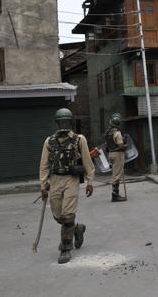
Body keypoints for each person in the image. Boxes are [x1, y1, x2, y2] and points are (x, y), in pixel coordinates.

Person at [40, 108, 95, 264]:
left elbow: (87, 161)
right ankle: (77, 229)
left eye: (66, 121)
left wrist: (90, 181)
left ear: (70, 122)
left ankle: (65, 248)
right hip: (55, 179)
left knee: (68, 215)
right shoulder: (49, 141)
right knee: (58, 216)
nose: (63, 124)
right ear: (57, 123)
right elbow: (44, 165)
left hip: (71, 179)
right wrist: (43, 185)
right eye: (61, 121)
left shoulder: (79, 139)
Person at [105, 112, 127, 202]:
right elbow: (121, 146)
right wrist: (126, 145)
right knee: (117, 175)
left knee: (115, 174)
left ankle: (115, 195)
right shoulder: (117, 133)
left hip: (110, 154)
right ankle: (115, 196)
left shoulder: (108, 132)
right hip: (117, 154)